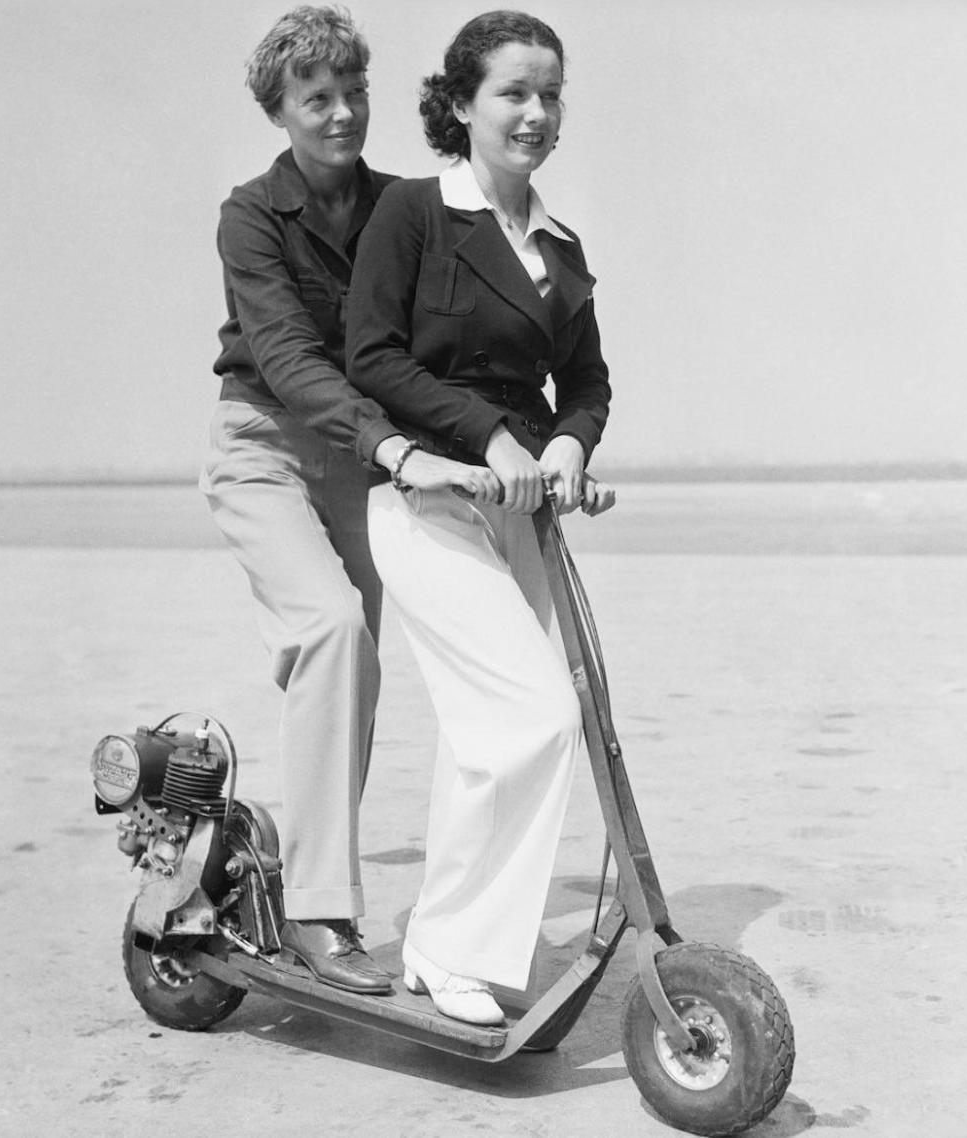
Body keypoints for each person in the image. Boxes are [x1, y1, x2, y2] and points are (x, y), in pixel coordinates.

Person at [345, 10, 616, 1025]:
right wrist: (488, 437)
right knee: (533, 718)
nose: (536, 113)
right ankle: (455, 948)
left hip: (520, 518)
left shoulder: (559, 244)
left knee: (487, 736)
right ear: (460, 104)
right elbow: (372, 357)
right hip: (423, 502)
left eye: (551, 94)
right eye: (514, 92)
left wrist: (567, 447)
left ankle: (445, 944)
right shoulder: (414, 213)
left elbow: (585, 383)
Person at [199, 5, 471, 994]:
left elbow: (444, 343)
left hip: (366, 459)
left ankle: (301, 874)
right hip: (263, 445)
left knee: (356, 667)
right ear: (279, 111)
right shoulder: (249, 216)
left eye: (353, 91)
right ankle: (320, 912)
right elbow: (284, 355)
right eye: (316, 98)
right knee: (331, 628)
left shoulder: (405, 208)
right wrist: (393, 443)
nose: (342, 112)